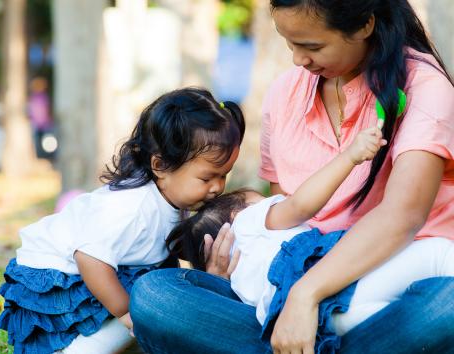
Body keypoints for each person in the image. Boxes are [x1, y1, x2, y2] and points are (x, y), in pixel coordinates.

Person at [129, 1, 454, 353]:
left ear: (364, 26)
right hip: (294, 289)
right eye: (290, 44)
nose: (299, 59)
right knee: (155, 296)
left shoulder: (424, 87)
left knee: (446, 304)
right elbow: (286, 216)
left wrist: (306, 294)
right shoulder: (285, 94)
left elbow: (403, 216)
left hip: (395, 277)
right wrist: (229, 278)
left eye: (313, 47)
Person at [0, 87, 245, 354]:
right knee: (142, 318)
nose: (218, 187)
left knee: (154, 314)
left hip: (104, 273)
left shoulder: (175, 199)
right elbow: (90, 258)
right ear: (160, 166)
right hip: (57, 282)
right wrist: (128, 313)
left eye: (224, 175)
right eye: (207, 178)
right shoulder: (132, 207)